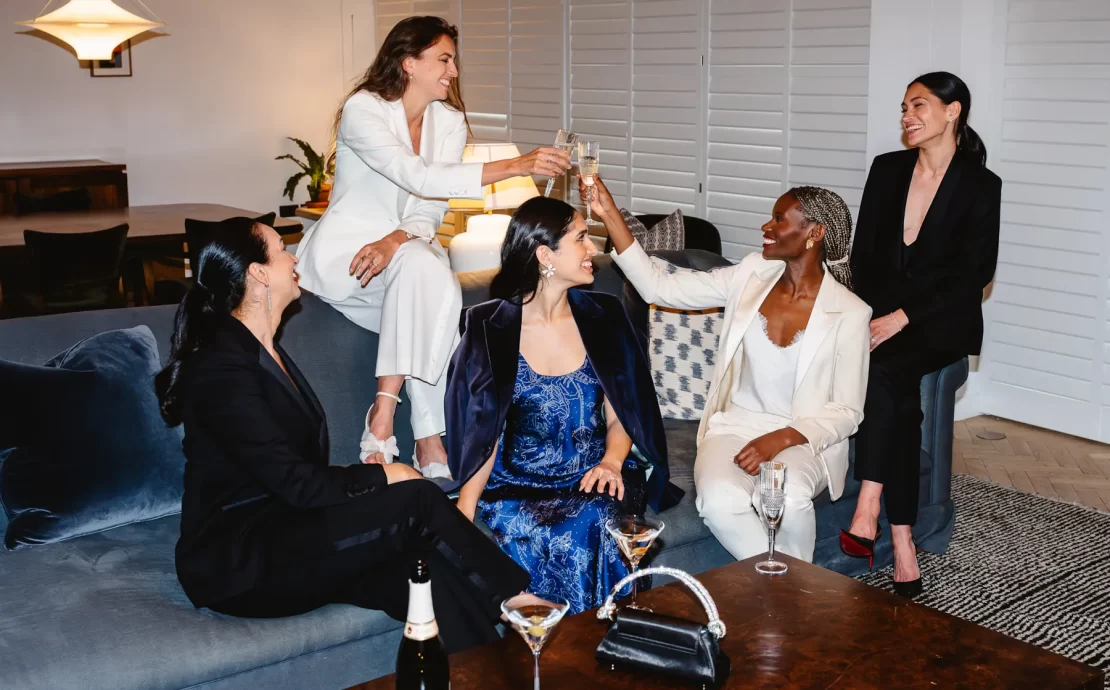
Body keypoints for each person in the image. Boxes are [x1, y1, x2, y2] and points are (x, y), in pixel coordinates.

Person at [154, 217, 537, 653]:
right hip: (240, 562)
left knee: (422, 574)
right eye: (282, 249)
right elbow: (297, 482)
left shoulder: (264, 350)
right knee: (418, 499)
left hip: (288, 531)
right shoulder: (221, 367)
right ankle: (518, 601)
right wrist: (385, 476)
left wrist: (370, 483)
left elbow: (297, 479)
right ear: (257, 272)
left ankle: (499, 672)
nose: (293, 257)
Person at [294, 16, 571, 479]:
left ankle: (385, 417)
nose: (454, 71)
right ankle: (427, 434)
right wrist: (515, 164)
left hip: (402, 255)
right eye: (444, 59)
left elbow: (429, 208)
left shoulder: (449, 122)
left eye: (453, 61)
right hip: (349, 262)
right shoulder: (363, 110)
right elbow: (416, 176)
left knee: (424, 270)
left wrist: (395, 239)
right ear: (409, 62)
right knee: (435, 287)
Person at [587, 174, 871, 564]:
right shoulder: (750, 274)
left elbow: (848, 411)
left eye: (779, 219)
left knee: (784, 494)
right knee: (719, 502)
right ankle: (792, 592)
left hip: (803, 437)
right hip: (734, 426)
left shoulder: (851, 313)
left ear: (814, 233)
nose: (766, 227)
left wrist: (781, 438)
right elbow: (659, 287)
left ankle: (794, 592)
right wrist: (609, 213)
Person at [445, 197, 683, 615]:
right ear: (544, 255)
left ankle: (609, 638)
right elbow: (483, 430)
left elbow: (621, 410)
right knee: (555, 530)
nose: (592, 250)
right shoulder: (490, 327)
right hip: (518, 485)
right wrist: (463, 514)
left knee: (597, 519)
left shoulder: (604, 314)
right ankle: (553, 650)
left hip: (596, 473)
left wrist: (611, 462)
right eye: (580, 239)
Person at [842, 71, 1001, 598]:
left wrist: (902, 317)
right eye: (904, 107)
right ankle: (903, 536)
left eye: (919, 106)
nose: (907, 116)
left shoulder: (981, 185)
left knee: (888, 367)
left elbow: (974, 272)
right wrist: (867, 315)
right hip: (882, 316)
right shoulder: (887, 170)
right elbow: (864, 255)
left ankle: (869, 505)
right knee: (897, 393)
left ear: (953, 112)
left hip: (939, 321)